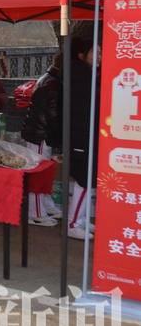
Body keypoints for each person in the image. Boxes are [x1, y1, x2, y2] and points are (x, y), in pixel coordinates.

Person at [21, 53, 63, 227]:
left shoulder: (49, 79)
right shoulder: (52, 83)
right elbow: (52, 114)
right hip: (41, 135)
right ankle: (36, 212)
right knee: (39, 173)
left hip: (40, 133)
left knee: (44, 173)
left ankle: (45, 205)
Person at [68, 36, 99, 240]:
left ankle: (82, 218)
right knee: (84, 178)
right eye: (95, 52)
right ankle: (73, 223)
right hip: (82, 134)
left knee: (87, 178)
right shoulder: (81, 75)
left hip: (86, 133)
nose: (99, 56)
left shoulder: (88, 73)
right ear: (82, 55)